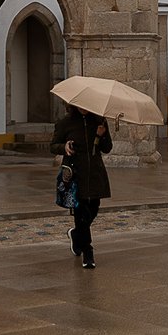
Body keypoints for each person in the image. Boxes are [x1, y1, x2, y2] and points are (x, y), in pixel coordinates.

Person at [49, 106, 112, 268]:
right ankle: (88, 251)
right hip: (75, 173)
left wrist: (101, 135)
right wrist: (64, 147)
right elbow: (53, 145)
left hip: (95, 172)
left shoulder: (100, 121)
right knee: (81, 211)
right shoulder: (65, 123)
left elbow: (107, 148)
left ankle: (76, 234)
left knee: (94, 208)